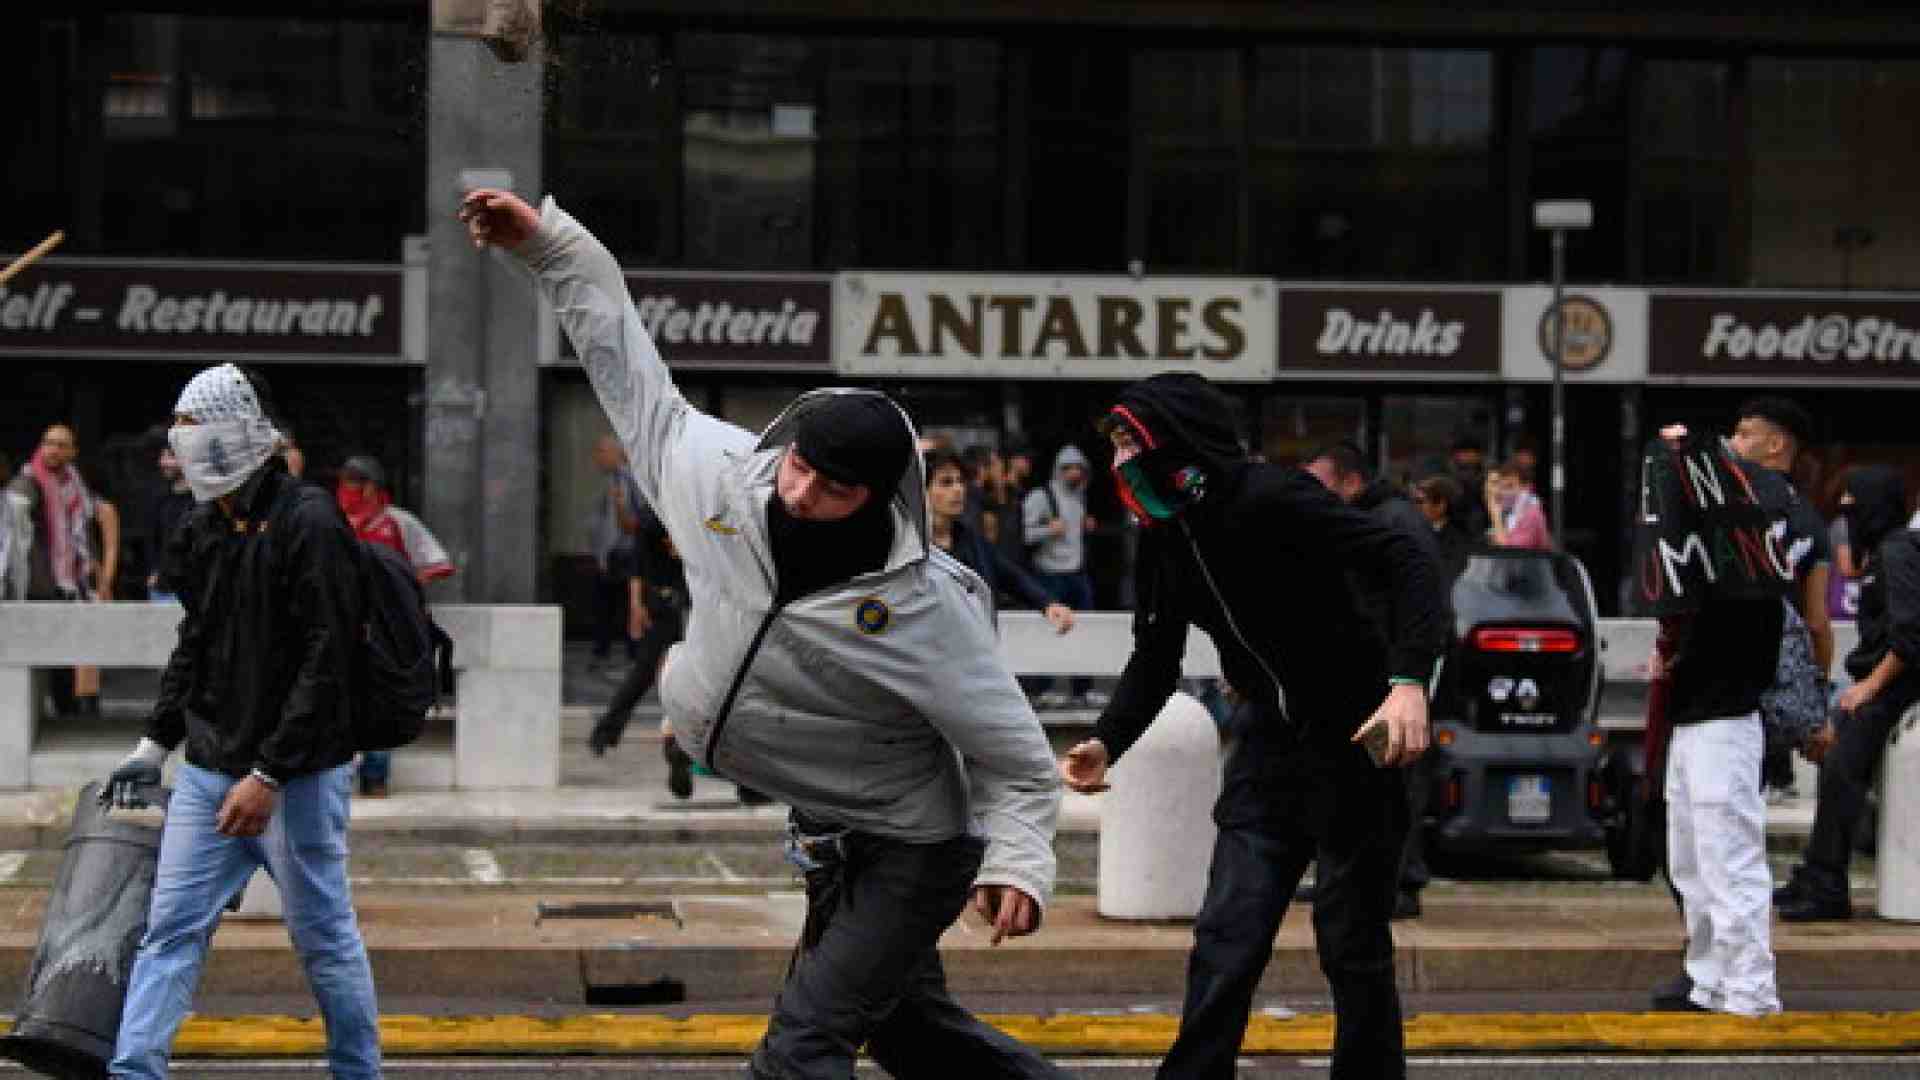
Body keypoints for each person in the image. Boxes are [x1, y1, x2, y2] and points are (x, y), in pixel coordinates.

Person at [463, 187, 1065, 1080]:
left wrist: (1017, 863)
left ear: (879, 499)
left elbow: (1015, 757)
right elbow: (629, 371)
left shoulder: (922, 605)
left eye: (833, 489)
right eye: (799, 467)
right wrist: (553, 250)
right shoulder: (720, 482)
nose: (800, 494)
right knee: (908, 1035)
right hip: (829, 831)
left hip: (914, 848)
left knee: (799, 1053)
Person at [1061, 373, 1444, 1079]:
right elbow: (1155, 658)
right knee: (1227, 937)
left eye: (1128, 443)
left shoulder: (1272, 498)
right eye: (1113, 446)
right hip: (1268, 746)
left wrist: (1408, 683)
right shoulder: (1165, 539)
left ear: (1175, 441)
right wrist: (1107, 741)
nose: (1118, 462)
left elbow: (1407, 559)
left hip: (1356, 739)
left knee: (1351, 943)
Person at [100, 363, 380, 1080]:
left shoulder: (309, 522)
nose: (179, 440)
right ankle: (134, 1072)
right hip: (208, 772)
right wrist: (153, 744)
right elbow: (195, 644)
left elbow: (327, 660)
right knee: (170, 931)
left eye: (192, 425)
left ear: (234, 431)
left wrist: (269, 775)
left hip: (298, 780)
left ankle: (358, 1072)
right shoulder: (202, 526)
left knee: (323, 940)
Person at [1638, 427, 1786, 1018]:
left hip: (1723, 719)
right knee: (1694, 860)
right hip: (1698, 718)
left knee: (1726, 856)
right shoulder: (1711, 564)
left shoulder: (1741, 569)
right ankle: (1711, 978)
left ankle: (1749, 987)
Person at [1304, 441, 1443, 921]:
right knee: (1365, 779)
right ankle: (1357, 878)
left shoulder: (1392, 521)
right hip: (1376, 670)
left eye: (1321, 485)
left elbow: (1422, 600)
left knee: (1395, 776)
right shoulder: (1374, 518)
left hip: (1392, 674)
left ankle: (1397, 881)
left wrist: (1409, 675)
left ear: (1349, 480)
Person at [1778, 466, 1920, 922]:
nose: (1847, 518)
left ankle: (1826, 885)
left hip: (1894, 685)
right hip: (1878, 682)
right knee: (1832, 759)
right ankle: (1817, 871)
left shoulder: (1897, 552)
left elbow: (1910, 635)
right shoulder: (1885, 551)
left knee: (1842, 768)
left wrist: (1870, 687)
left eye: (1854, 508)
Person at [1728, 397, 1834, 800]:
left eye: (1744, 434)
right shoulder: (1809, 520)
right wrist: (1816, 703)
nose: (1733, 443)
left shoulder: (1725, 501)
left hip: (1717, 681)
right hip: (1771, 681)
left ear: (1775, 445)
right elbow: (1817, 623)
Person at [336, 454, 454, 798]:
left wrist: (401, 585)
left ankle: (376, 776)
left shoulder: (399, 522)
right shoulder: (335, 522)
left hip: (390, 630)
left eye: (352, 483)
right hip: (345, 624)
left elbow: (438, 564)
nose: (346, 491)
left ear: (371, 487)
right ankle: (339, 774)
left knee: (380, 696)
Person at [926, 449, 1074, 633]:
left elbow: (1012, 577)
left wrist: (1048, 604)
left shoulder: (971, 540)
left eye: (960, 481)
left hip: (977, 642)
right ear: (922, 492)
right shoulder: (910, 547)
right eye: (946, 482)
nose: (958, 489)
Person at [8, 424, 98, 718]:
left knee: (65, 654)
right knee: (32, 655)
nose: (53, 449)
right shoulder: (29, 480)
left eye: (61, 445)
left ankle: (65, 712)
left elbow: (82, 533)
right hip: (35, 585)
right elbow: (16, 508)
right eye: (48, 442)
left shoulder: (74, 485)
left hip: (67, 585)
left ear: (73, 452)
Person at [1023, 445, 1101, 708]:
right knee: (1047, 631)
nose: (1074, 473)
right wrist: (1048, 530)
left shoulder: (1080, 497)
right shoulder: (1041, 496)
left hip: (1076, 574)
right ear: (1058, 470)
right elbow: (1024, 534)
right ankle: (1042, 690)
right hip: (1049, 574)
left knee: (1085, 630)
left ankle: (1083, 690)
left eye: (1079, 468)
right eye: (1068, 468)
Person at [585, 434, 643, 668]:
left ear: (615, 453)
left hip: (630, 552)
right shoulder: (608, 481)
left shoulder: (631, 479)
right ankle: (602, 652)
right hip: (611, 553)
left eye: (601, 452)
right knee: (604, 605)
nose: (597, 458)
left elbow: (638, 517)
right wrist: (600, 553)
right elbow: (601, 520)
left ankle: (635, 655)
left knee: (630, 604)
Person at [72, 457, 123, 716]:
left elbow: (111, 549)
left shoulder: (102, 508)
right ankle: (73, 700)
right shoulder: (64, 505)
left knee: (87, 645)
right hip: (68, 581)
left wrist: (105, 583)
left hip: (93, 581)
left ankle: (87, 701)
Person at [145, 428, 195, 604]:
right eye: (162, 456)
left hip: (193, 588)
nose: (163, 462)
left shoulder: (202, 501)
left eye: (171, 456)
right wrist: (153, 571)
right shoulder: (160, 499)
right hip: (162, 588)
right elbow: (152, 539)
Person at [1412, 474, 1474, 584]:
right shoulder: (1411, 532)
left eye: (1420, 501)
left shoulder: (1457, 541)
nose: (1414, 507)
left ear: (1441, 505)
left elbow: (1446, 576)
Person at [1485, 460, 1552, 549]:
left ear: (1525, 488)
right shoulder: (1505, 511)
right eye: (1500, 486)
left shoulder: (1531, 514)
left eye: (1509, 487)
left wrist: (1496, 517)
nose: (1502, 492)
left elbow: (1509, 552)